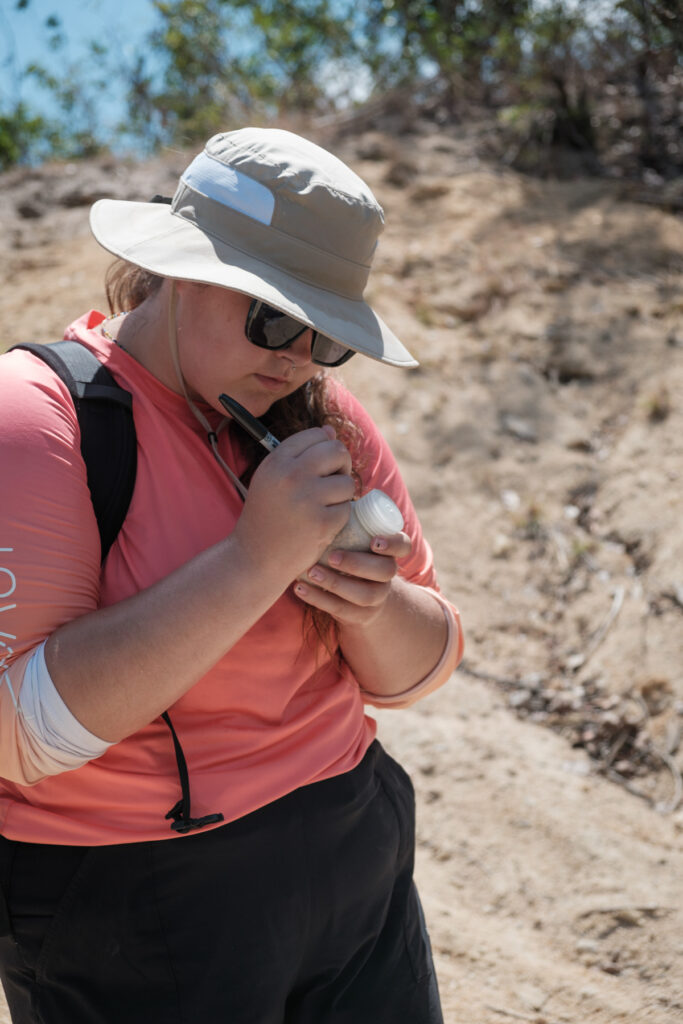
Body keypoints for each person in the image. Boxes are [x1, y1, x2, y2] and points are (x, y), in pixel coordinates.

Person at [0, 126, 463, 1024]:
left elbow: (425, 668)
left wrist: (370, 604)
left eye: (327, 336)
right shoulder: (39, 422)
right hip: (135, 900)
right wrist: (254, 561)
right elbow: (22, 740)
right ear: (179, 266)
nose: (296, 357)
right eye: (273, 316)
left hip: (350, 846)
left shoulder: (320, 419)